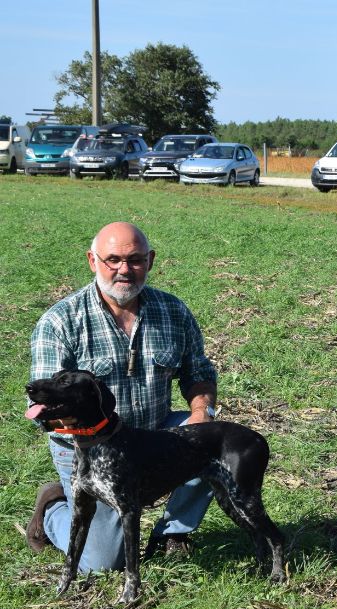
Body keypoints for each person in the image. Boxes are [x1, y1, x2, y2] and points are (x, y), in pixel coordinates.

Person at [26, 222, 219, 572]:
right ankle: (55, 507)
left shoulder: (173, 312)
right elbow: (41, 409)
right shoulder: (61, 321)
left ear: (151, 261)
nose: (124, 270)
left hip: (153, 433)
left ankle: (171, 534)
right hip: (87, 445)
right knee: (102, 563)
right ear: (92, 261)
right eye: (112, 259)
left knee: (211, 437)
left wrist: (201, 410)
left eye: (135, 260)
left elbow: (199, 373)